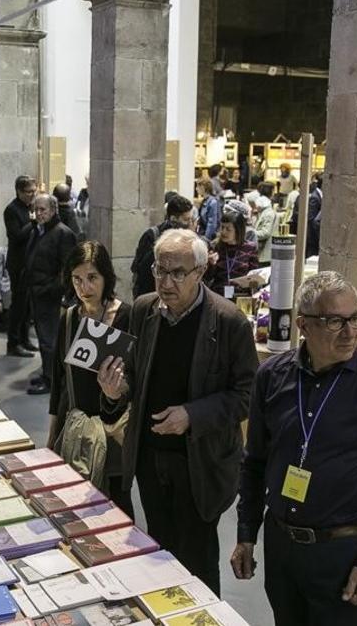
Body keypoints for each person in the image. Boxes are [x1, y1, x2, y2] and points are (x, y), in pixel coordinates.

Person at [232, 272, 357, 625]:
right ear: (303, 324)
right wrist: (246, 534)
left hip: (342, 556)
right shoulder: (272, 377)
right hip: (282, 547)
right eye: (335, 321)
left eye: (354, 319)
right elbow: (254, 462)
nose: (349, 332)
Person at [97, 229, 257, 595]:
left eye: (177, 273)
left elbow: (246, 396)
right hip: (152, 458)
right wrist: (116, 389)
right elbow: (135, 377)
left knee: (198, 560)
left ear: (200, 272)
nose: (166, 282)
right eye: (159, 270)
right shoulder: (143, 309)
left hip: (200, 462)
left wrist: (192, 415)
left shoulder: (229, 321)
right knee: (159, 553)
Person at [48, 241, 134, 515]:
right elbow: (59, 380)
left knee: (117, 508)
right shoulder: (71, 317)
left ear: (106, 276)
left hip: (113, 430)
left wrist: (119, 389)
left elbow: (135, 380)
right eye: (77, 279)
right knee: (76, 507)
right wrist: (52, 437)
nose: (84, 287)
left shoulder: (126, 316)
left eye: (92, 278)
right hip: (75, 426)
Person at [24, 194, 77, 395]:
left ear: (53, 210)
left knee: (50, 340)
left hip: (50, 296)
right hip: (37, 293)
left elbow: (67, 270)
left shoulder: (63, 233)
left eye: (42, 210)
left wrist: (50, 290)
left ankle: (53, 380)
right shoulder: (38, 231)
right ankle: (48, 374)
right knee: (44, 339)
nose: (38, 214)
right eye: (36, 209)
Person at [130, 194, 193, 300]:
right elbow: (141, 270)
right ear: (173, 219)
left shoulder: (189, 238)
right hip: (152, 296)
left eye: (191, 219)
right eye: (186, 220)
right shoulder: (152, 236)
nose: (190, 223)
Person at [4, 175, 39, 358]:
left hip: (30, 261)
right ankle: (14, 342)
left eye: (34, 191)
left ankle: (25, 339)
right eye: (28, 192)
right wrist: (32, 223)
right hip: (18, 263)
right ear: (19, 191)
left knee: (28, 305)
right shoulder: (12, 210)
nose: (32, 195)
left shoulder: (30, 207)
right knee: (18, 305)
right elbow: (16, 236)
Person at [203, 210, 260, 298]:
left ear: (238, 230)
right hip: (218, 296)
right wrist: (211, 264)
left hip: (241, 296)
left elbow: (254, 278)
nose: (223, 232)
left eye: (228, 229)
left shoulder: (250, 248)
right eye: (222, 227)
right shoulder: (215, 246)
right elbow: (207, 278)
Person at [195, 178, 220, 242]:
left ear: (203, 187)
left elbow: (211, 223)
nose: (196, 189)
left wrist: (206, 239)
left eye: (197, 186)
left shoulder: (212, 202)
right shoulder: (204, 201)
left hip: (209, 237)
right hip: (202, 234)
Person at [254, 195, 277, 263]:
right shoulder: (265, 213)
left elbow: (266, 233)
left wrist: (252, 233)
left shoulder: (268, 214)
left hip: (265, 250)